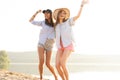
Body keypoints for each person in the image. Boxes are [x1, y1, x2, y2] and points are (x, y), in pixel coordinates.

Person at [53, 0, 88, 80]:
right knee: (57, 65)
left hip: (68, 44)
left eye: (64, 13)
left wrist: (81, 5)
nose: (63, 14)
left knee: (62, 63)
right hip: (60, 46)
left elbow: (78, 16)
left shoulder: (69, 21)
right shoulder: (56, 25)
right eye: (61, 13)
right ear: (58, 14)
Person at [29, 9, 58, 80]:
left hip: (50, 45)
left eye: (47, 13)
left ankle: (55, 76)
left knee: (48, 64)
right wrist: (36, 12)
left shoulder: (55, 25)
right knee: (41, 61)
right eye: (45, 14)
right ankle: (41, 77)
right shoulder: (42, 23)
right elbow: (31, 21)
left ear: (51, 14)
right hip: (41, 43)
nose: (46, 15)